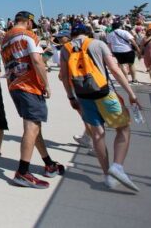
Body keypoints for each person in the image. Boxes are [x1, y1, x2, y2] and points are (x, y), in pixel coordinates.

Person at [60, 24, 141, 191]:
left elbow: (64, 76)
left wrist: (71, 97)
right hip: (103, 93)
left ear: (73, 34)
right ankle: (117, 167)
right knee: (123, 128)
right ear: (88, 33)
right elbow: (115, 70)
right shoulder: (97, 44)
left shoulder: (65, 48)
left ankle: (107, 176)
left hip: (82, 96)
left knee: (97, 134)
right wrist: (131, 94)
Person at [0, 11, 65, 189]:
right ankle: (22, 172)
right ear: (28, 22)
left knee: (34, 127)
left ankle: (49, 164)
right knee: (32, 127)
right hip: (29, 85)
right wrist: (46, 84)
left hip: (14, 85)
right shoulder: (28, 35)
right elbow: (37, 61)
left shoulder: (4, 39)